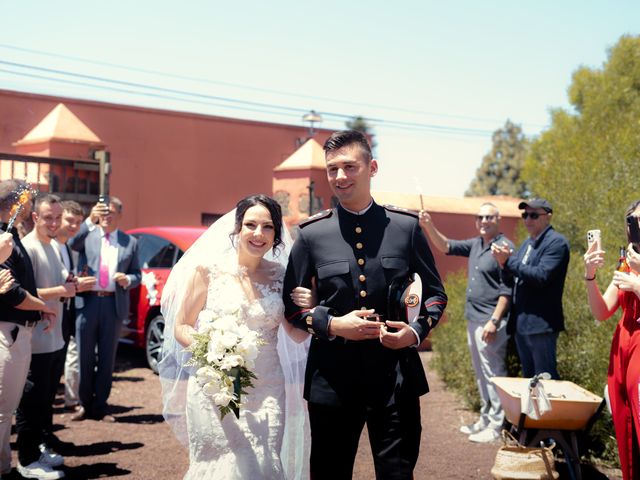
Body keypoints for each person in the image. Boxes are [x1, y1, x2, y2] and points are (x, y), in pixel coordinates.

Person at [283, 130, 448, 479]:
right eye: (332, 169)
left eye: (349, 166)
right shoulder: (311, 234)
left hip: (395, 378)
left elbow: (435, 293)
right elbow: (292, 306)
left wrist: (415, 332)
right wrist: (332, 324)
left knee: (398, 473)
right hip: (332, 379)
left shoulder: (406, 228)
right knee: (330, 472)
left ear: (371, 167)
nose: (340, 177)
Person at [159, 194, 313, 479]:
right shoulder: (208, 271)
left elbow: (296, 335)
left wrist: (310, 308)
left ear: (277, 234)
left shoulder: (282, 277)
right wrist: (214, 353)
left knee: (264, 462)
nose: (258, 233)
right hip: (217, 387)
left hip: (267, 387)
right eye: (250, 225)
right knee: (220, 465)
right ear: (237, 228)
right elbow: (181, 326)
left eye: (268, 227)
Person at [418, 202, 513, 443]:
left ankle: (496, 425)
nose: (483, 221)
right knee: (482, 374)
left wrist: (494, 321)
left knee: (494, 373)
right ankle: (485, 418)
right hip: (474, 318)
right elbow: (446, 246)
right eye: (480, 217)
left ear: (498, 219)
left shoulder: (503, 248)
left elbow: (507, 290)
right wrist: (428, 225)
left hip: (490, 321)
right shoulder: (476, 244)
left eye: (489, 217)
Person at [0, 180, 58, 479]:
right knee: (3, 410)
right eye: (26, 200)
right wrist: (44, 306)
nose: (30, 206)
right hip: (8, 331)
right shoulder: (3, 239)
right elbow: (11, 292)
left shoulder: (10, 235)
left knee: (7, 408)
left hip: (18, 331)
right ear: (14, 204)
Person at [18, 194, 76, 476]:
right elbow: (23, 294)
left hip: (55, 337)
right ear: (35, 218)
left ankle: (38, 449)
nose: (54, 223)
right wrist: (62, 291)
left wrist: (68, 283)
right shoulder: (27, 248)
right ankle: (27, 460)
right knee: (31, 402)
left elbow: (56, 283)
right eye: (48, 217)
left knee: (44, 401)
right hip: (35, 339)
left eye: (57, 217)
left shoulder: (53, 245)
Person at [69, 196, 141, 422]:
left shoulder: (130, 242)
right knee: (84, 356)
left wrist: (127, 279)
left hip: (113, 304)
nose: (106, 216)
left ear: (119, 215)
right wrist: (90, 219)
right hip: (88, 302)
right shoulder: (87, 235)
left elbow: (138, 274)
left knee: (107, 358)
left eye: (111, 212)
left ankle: (100, 406)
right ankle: (83, 404)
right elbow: (71, 243)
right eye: (103, 212)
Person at [583, 200, 640, 480]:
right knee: (626, 427)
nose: (635, 227)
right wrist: (590, 276)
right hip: (622, 347)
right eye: (631, 221)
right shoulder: (628, 259)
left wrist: (638, 285)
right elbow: (602, 310)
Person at [492, 198, 569, 380]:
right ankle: (533, 410)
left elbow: (541, 276)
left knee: (545, 380)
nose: (528, 220)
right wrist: (504, 265)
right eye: (525, 215)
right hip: (522, 325)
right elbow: (514, 277)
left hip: (541, 325)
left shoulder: (556, 243)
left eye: (533, 215)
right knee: (530, 381)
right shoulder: (527, 244)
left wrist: (509, 261)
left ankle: (551, 411)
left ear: (548, 217)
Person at [54, 201, 94, 413]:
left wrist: (77, 282)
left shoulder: (67, 247)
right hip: (47, 316)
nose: (73, 226)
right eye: (70, 220)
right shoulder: (51, 245)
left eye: (78, 222)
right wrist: (77, 284)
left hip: (65, 314)